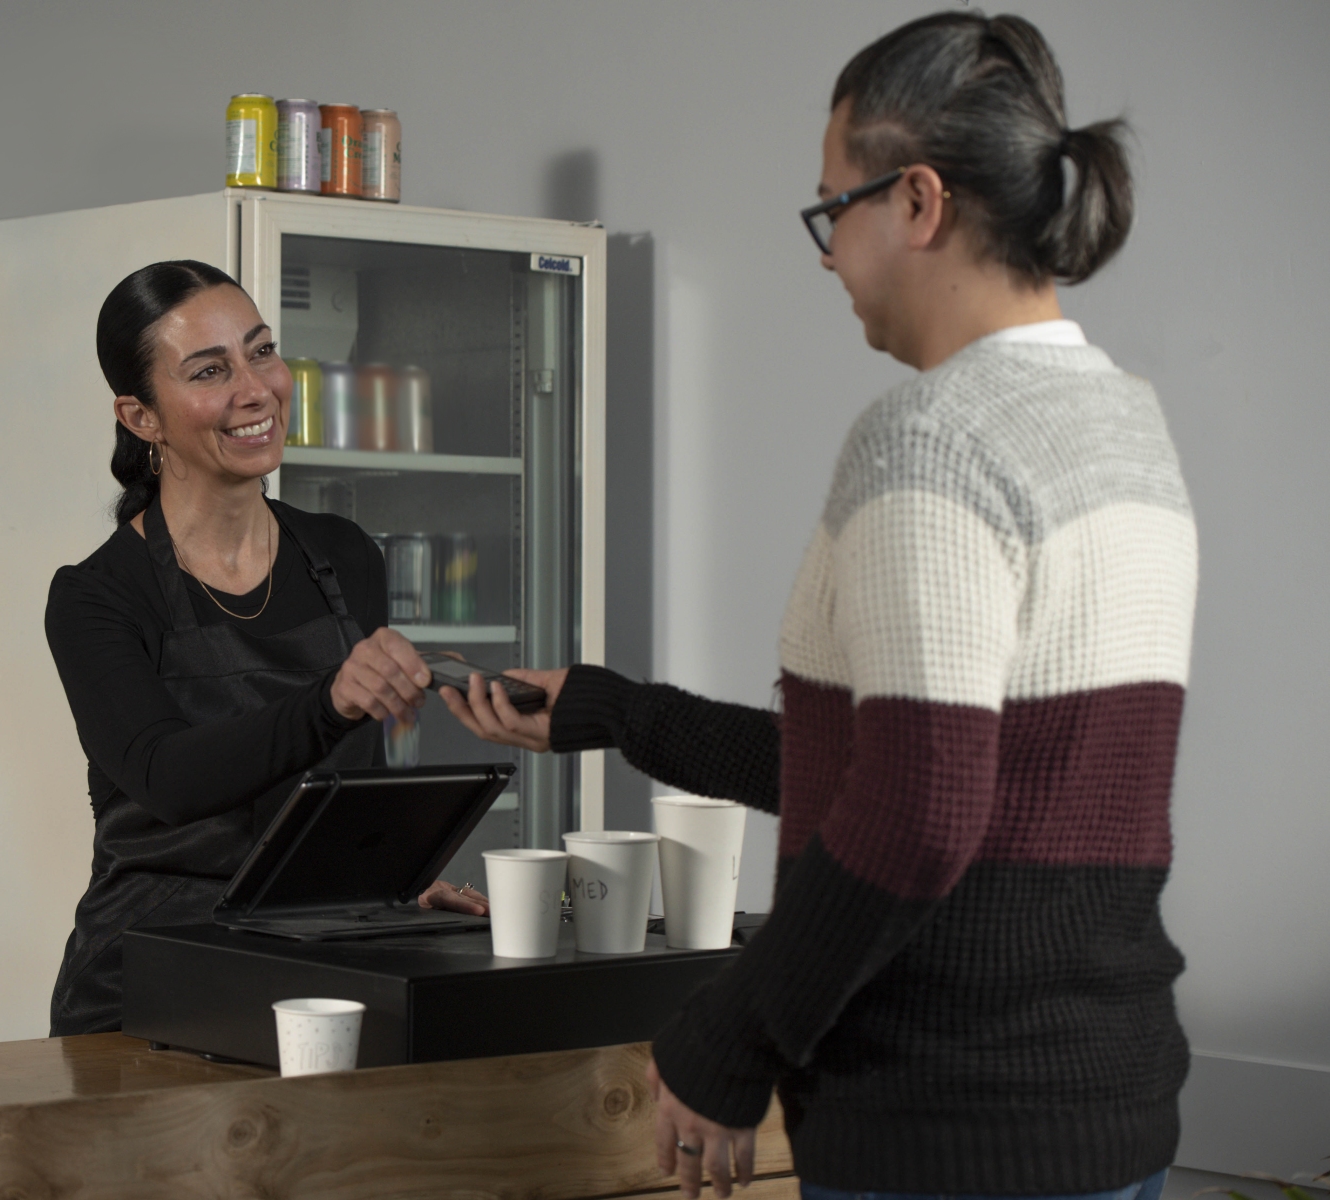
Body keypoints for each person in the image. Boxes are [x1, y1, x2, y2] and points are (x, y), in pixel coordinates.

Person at [445, 13, 1194, 1200]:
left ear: (919, 201)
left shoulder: (932, 438)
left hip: (944, 1131)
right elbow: (926, 772)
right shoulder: (1124, 423)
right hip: (1108, 1109)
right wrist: (618, 713)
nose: (827, 254)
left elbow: (916, 813)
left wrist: (730, 1041)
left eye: (831, 209)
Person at [46, 261, 482, 1036]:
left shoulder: (345, 557)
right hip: (147, 989)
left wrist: (392, 880)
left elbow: (350, 791)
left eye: (262, 352)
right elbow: (168, 776)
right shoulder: (97, 597)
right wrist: (329, 702)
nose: (256, 389)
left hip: (317, 973)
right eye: (210, 371)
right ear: (140, 416)